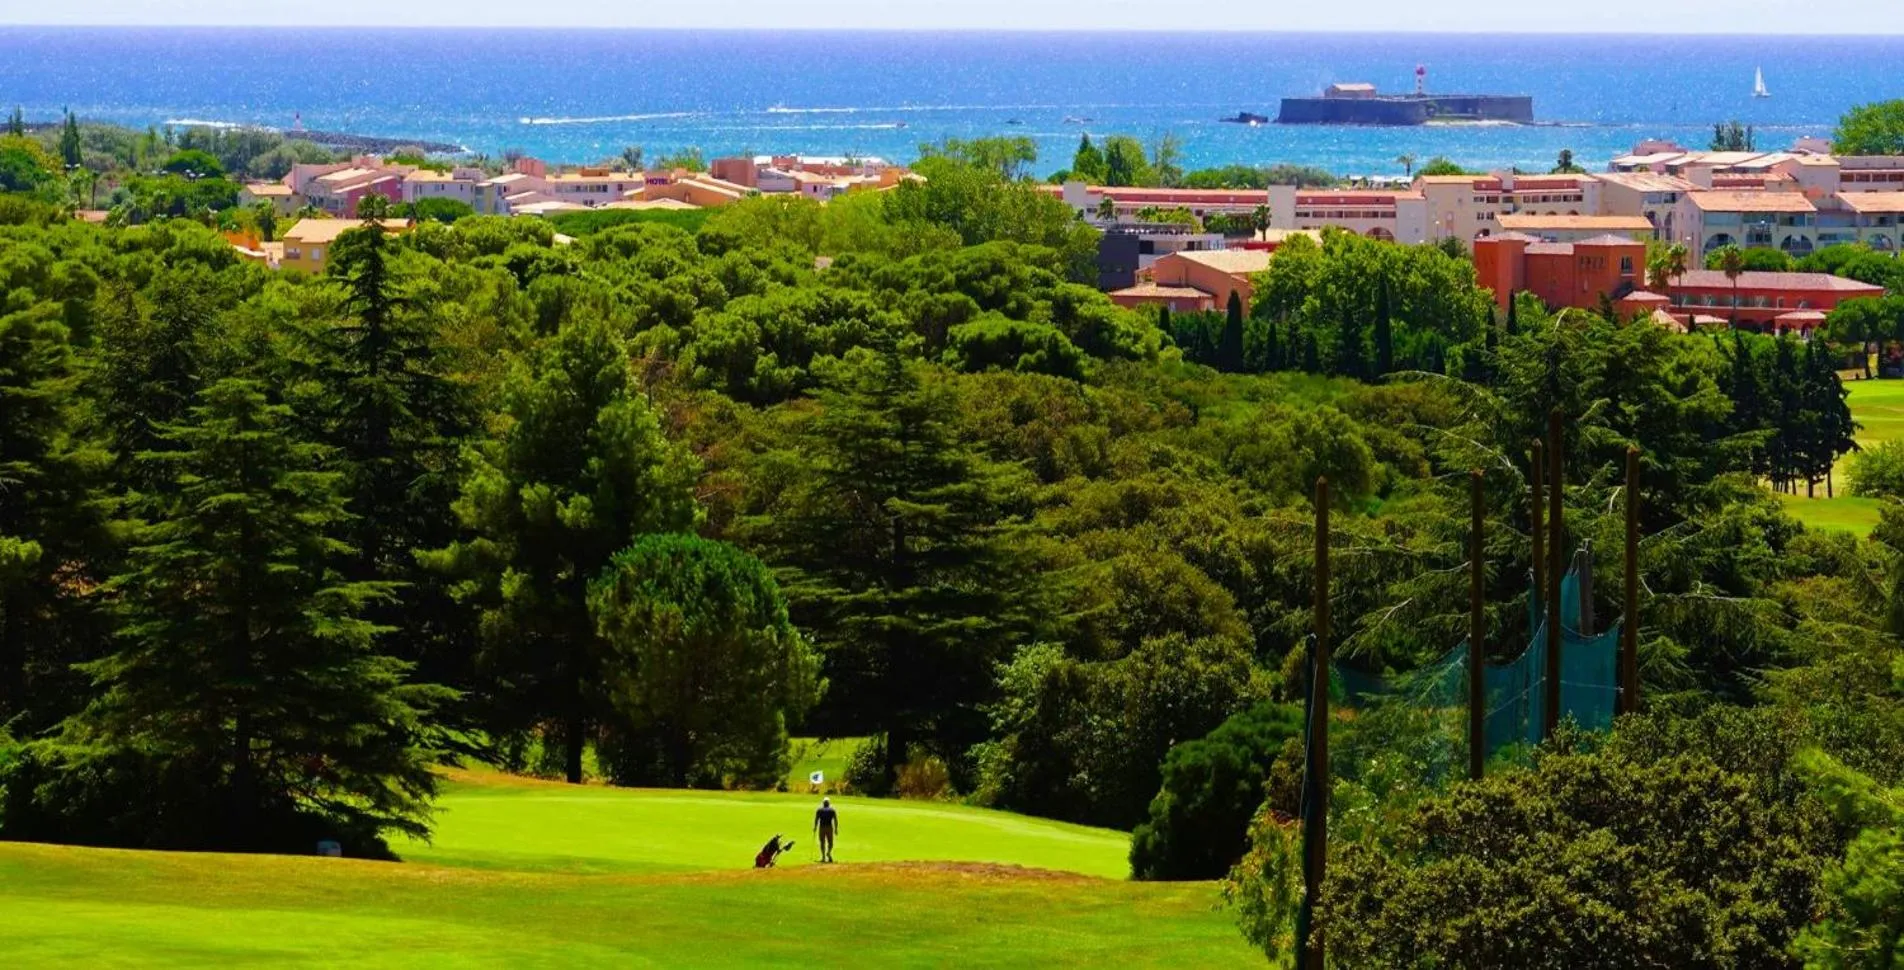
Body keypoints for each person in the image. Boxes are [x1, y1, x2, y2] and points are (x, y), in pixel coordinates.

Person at [813, 797, 839, 863]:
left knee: (822, 842)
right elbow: (835, 820)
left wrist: (815, 827)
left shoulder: (819, 810)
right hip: (829, 828)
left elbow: (816, 819)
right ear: (829, 803)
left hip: (822, 828)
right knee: (830, 843)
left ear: (823, 803)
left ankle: (823, 857)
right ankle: (829, 852)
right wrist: (836, 829)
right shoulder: (832, 810)